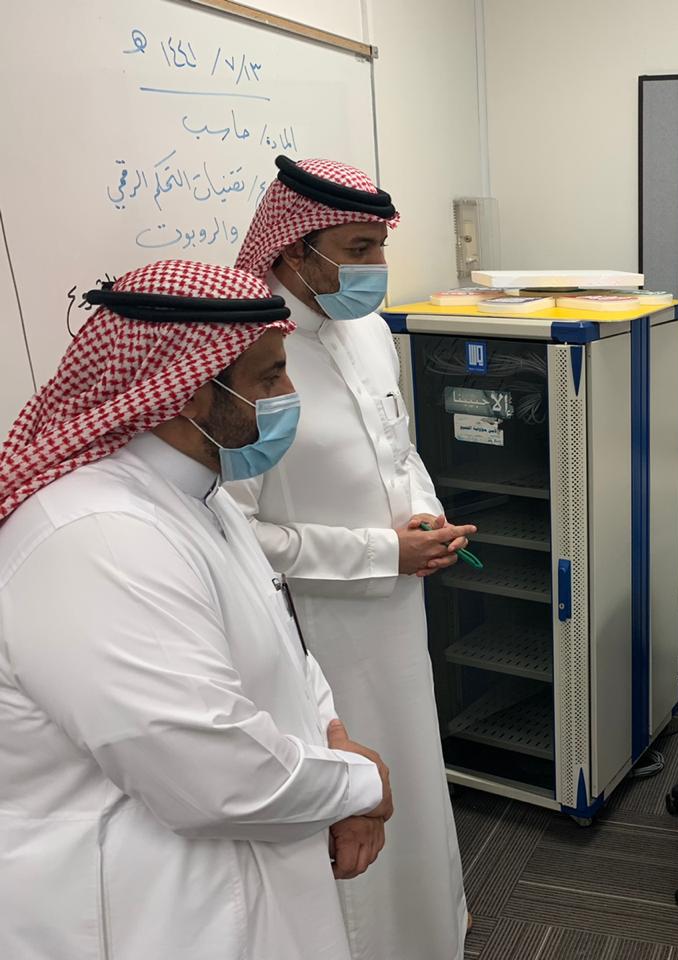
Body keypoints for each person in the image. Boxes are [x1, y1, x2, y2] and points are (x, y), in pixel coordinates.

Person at [0, 260, 394, 959]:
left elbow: (280, 638)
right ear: (186, 393)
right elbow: (209, 774)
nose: (288, 396)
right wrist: (360, 785)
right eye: (269, 379)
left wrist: (330, 730)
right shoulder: (97, 538)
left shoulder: (194, 492)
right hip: (155, 910)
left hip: (252, 863)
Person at [229, 155, 471, 960]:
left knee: (413, 771)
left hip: (397, 605)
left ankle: (435, 928)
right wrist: (380, 552)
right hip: (315, 627)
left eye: (380, 246)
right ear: (294, 249)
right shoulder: (247, 361)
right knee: (348, 796)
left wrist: (424, 515)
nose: (377, 266)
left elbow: (398, 446)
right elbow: (236, 536)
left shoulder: (368, 330)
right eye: (358, 249)